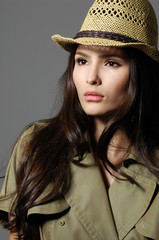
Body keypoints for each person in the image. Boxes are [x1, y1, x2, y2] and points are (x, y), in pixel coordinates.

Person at [1, 0, 159, 239]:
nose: (91, 77)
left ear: (141, 73)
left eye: (111, 62)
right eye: (82, 61)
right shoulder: (38, 146)